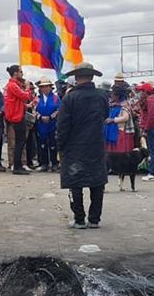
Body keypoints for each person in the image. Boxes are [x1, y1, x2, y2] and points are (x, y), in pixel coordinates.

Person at [57, 62, 108, 229]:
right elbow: (105, 115)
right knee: (97, 182)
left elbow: (63, 125)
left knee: (75, 182)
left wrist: (60, 146)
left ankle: (79, 219)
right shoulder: (102, 95)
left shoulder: (70, 98)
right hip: (96, 144)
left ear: (77, 78)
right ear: (92, 77)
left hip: (74, 145)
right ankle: (94, 219)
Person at [4, 65, 33, 174]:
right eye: (21, 72)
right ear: (15, 73)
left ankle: (18, 165)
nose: (22, 74)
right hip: (16, 117)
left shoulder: (10, 86)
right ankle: (17, 166)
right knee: (19, 142)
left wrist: (26, 106)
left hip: (15, 115)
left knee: (19, 142)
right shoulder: (13, 86)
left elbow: (14, 102)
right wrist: (27, 88)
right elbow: (25, 96)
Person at [35, 78, 60, 172]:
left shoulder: (55, 98)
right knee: (42, 143)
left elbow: (59, 109)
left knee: (53, 143)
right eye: (42, 87)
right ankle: (44, 163)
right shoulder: (37, 98)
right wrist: (40, 117)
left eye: (47, 86)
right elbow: (34, 110)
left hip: (52, 123)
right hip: (41, 124)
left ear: (51, 87)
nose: (45, 88)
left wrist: (50, 117)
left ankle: (54, 163)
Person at [105, 86, 136, 158]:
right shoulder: (112, 104)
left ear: (117, 96)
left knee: (120, 153)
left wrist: (113, 120)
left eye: (113, 94)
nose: (111, 96)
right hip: (114, 131)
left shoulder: (124, 105)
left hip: (120, 131)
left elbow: (125, 118)